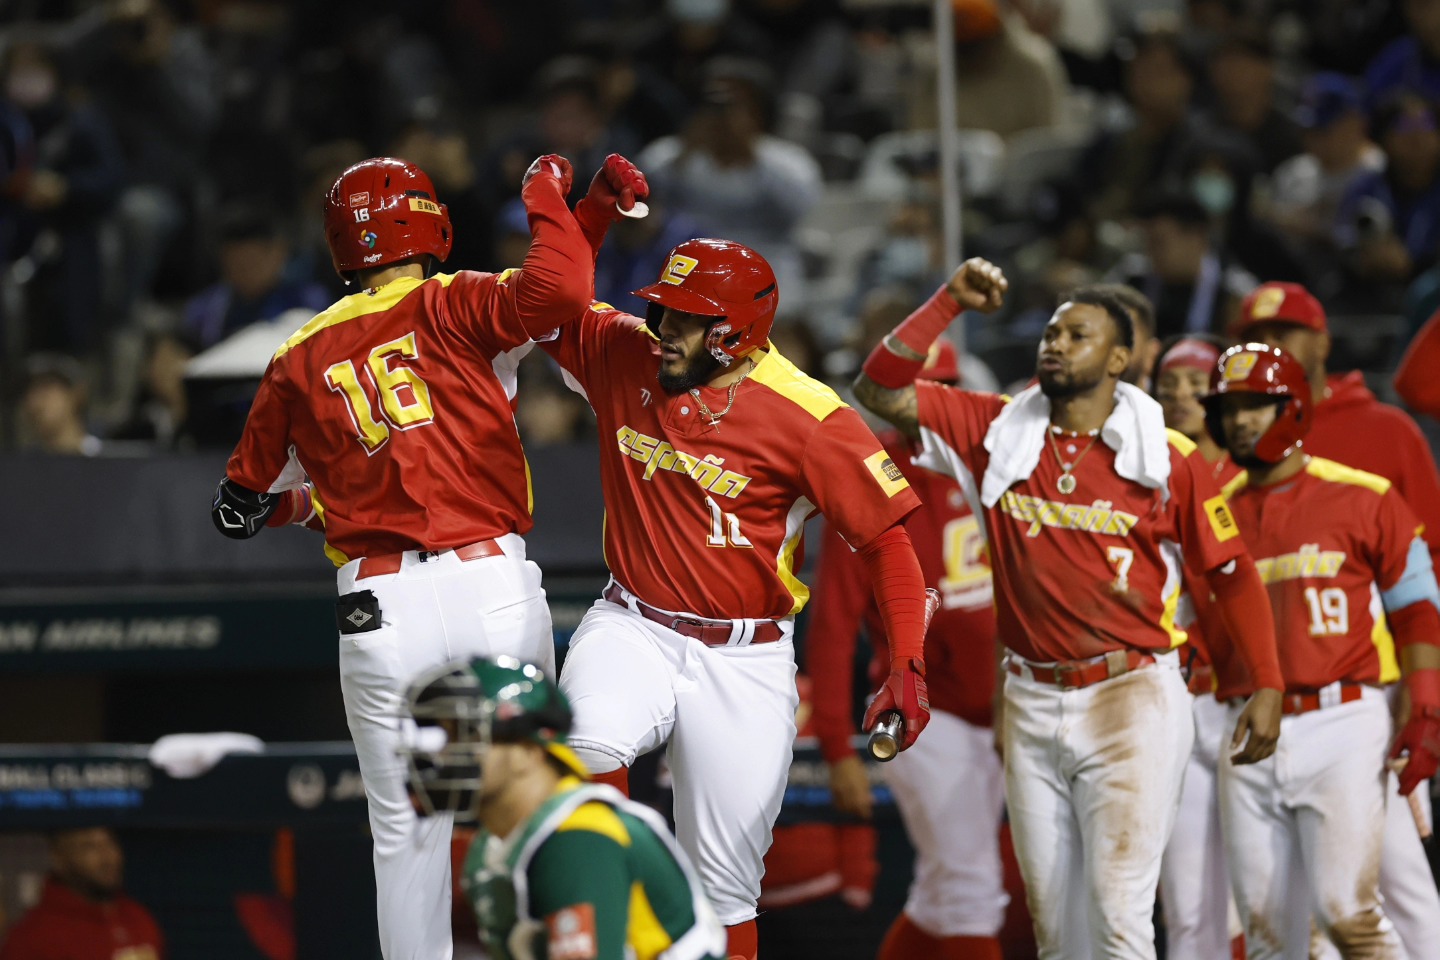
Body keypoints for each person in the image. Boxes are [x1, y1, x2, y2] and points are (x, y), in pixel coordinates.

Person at [209, 151, 649, 960]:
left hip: (380, 609)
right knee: (540, 801)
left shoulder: (296, 354)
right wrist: (549, 197)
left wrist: (301, 505)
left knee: (406, 836)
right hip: (491, 588)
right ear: (429, 223)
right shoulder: (457, 301)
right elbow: (553, 297)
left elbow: (238, 509)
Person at [852, 264, 1285, 959]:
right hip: (1030, 695)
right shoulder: (996, 426)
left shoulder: (1165, 454)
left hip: (1131, 694)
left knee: (1118, 920)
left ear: (1119, 359)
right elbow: (876, 388)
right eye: (1051, 332)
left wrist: (1267, 680)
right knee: (1057, 932)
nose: (1055, 343)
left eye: (1078, 335)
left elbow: (1231, 574)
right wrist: (947, 303)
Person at [537, 236, 932, 960]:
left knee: (726, 889)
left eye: (687, 319)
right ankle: (607, 921)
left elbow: (888, 545)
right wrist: (581, 221)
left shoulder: (810, 414)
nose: (665, 331)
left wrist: (906, 662)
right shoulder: (626, 352)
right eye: (662, 311)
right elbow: (545, 305)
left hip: (746, 656)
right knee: (585, 750)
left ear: (740, 331)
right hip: (633, 621)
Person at [1200, 343, 1440, 958]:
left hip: (1344, 720)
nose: (1241, 421)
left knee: (1348, 916)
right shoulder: (1209, 515)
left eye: (1258, 405)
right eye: (1230, 409)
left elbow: (1417, 608)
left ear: (1296, 407)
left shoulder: (1365, 495)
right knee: (1268, 938)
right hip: (1244, 730)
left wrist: (1426, 706)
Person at [808, 339, 1008, 960]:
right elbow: (834, 626)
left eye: (941, 391)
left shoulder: (997, 468)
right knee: (974, 887)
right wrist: (838, 749)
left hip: (1004, 707)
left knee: (942, 889)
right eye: (912, 395)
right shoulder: (873, 478)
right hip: (927, 713)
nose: (924, 407)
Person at [399, 656, 726, 960]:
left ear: (528, 752)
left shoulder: (578, 841)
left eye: (464, 738)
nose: (440, 757)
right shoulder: (495, 843)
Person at [1152, 335, 1248, 960]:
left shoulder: (1253, 478)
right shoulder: (1143, 475)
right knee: (1188, 908)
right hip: (1178, 701)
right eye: (1169, 389)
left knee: (1258, 899)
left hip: (1246, 704)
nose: (1182, 398)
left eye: (1195, 386)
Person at [0, 827, 164, 960]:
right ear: (59, 859)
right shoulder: (33, 938)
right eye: (89, 846)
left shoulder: (137, 917)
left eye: (109, 843)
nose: (107, 858)